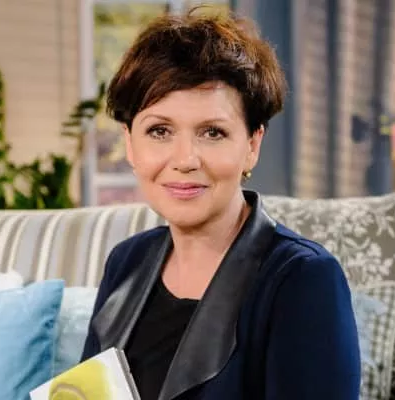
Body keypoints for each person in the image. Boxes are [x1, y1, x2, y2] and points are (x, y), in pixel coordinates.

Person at [81, 8, 361, 400]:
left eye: (212, 132)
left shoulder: (302, 278)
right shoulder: (127, 262)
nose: (185, 159)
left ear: (252, 145)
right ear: (129, 143)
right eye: (159, 131)